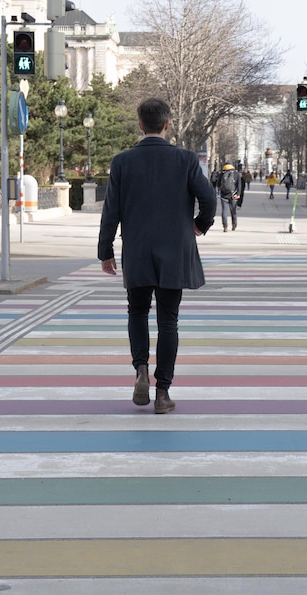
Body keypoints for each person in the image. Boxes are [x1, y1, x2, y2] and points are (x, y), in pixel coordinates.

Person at [98, 97, 216, 414]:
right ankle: (162, 392)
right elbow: (209, 200)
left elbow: (111, 211)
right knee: (168, 321)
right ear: (167, 124)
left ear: (140, 125)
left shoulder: (122, 162)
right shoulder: (187, 160)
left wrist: (105, 251)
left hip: (136, 250)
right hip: (175, 252)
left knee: (136, 312)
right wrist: (199, 226)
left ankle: (140, 371)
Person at [217, 161, 241, 232]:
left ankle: (225, 226)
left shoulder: (222, 174)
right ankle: (234, 225)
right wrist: (238, 194)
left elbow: (218, 184)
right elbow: (239, 185)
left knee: (224, 211)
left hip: (224, 195)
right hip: (233, 194)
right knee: (233, 211)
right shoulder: (236, 174)